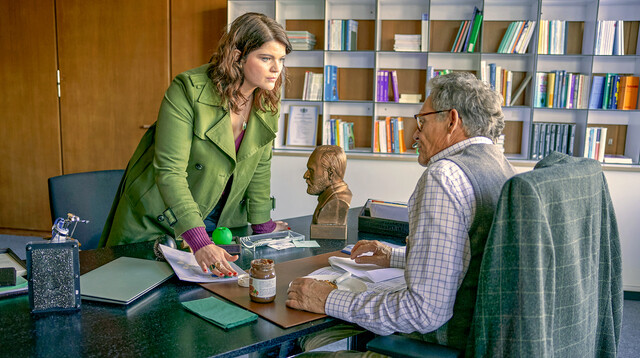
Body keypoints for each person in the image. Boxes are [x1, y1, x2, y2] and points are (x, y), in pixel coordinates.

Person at [287, 72, 517, 354]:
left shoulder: (444, 176)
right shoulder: (501, 166)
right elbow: (470, 260)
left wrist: (329, 299)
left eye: (422, 121)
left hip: (439, 345)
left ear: (452, 120)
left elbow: (422, 312)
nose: (414, 134)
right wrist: (395, 256)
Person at [99, 13, 292, 277]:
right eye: (266, 58)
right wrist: (198, 240)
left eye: (281, 59)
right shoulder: (188, 89)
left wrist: (262, 226)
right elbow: (169, 172)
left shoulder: (268, 99)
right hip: (162, 219)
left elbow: (259, 165)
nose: (276, 69)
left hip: (220, 219)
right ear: (237, 56)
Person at [304, 145, 352, 227]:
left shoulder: (336, 202)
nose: (305, 175)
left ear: (330, 173)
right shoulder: (328, 197)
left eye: (311, 170)